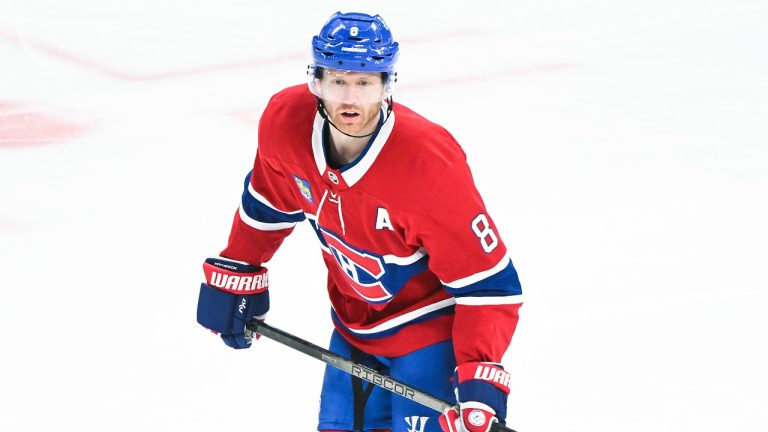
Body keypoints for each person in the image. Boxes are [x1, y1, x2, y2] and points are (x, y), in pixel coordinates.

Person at [196, 11, 523, 432]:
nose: (350, 99)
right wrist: (240, 265)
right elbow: (267, 203)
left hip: (430, 339)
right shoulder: (286, 122)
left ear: (387, 85)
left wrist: (479, 376)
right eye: (338, 81)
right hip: (352, 329)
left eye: (365, 83)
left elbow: (490, 285)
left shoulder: (428, 165)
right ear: (316, 81)